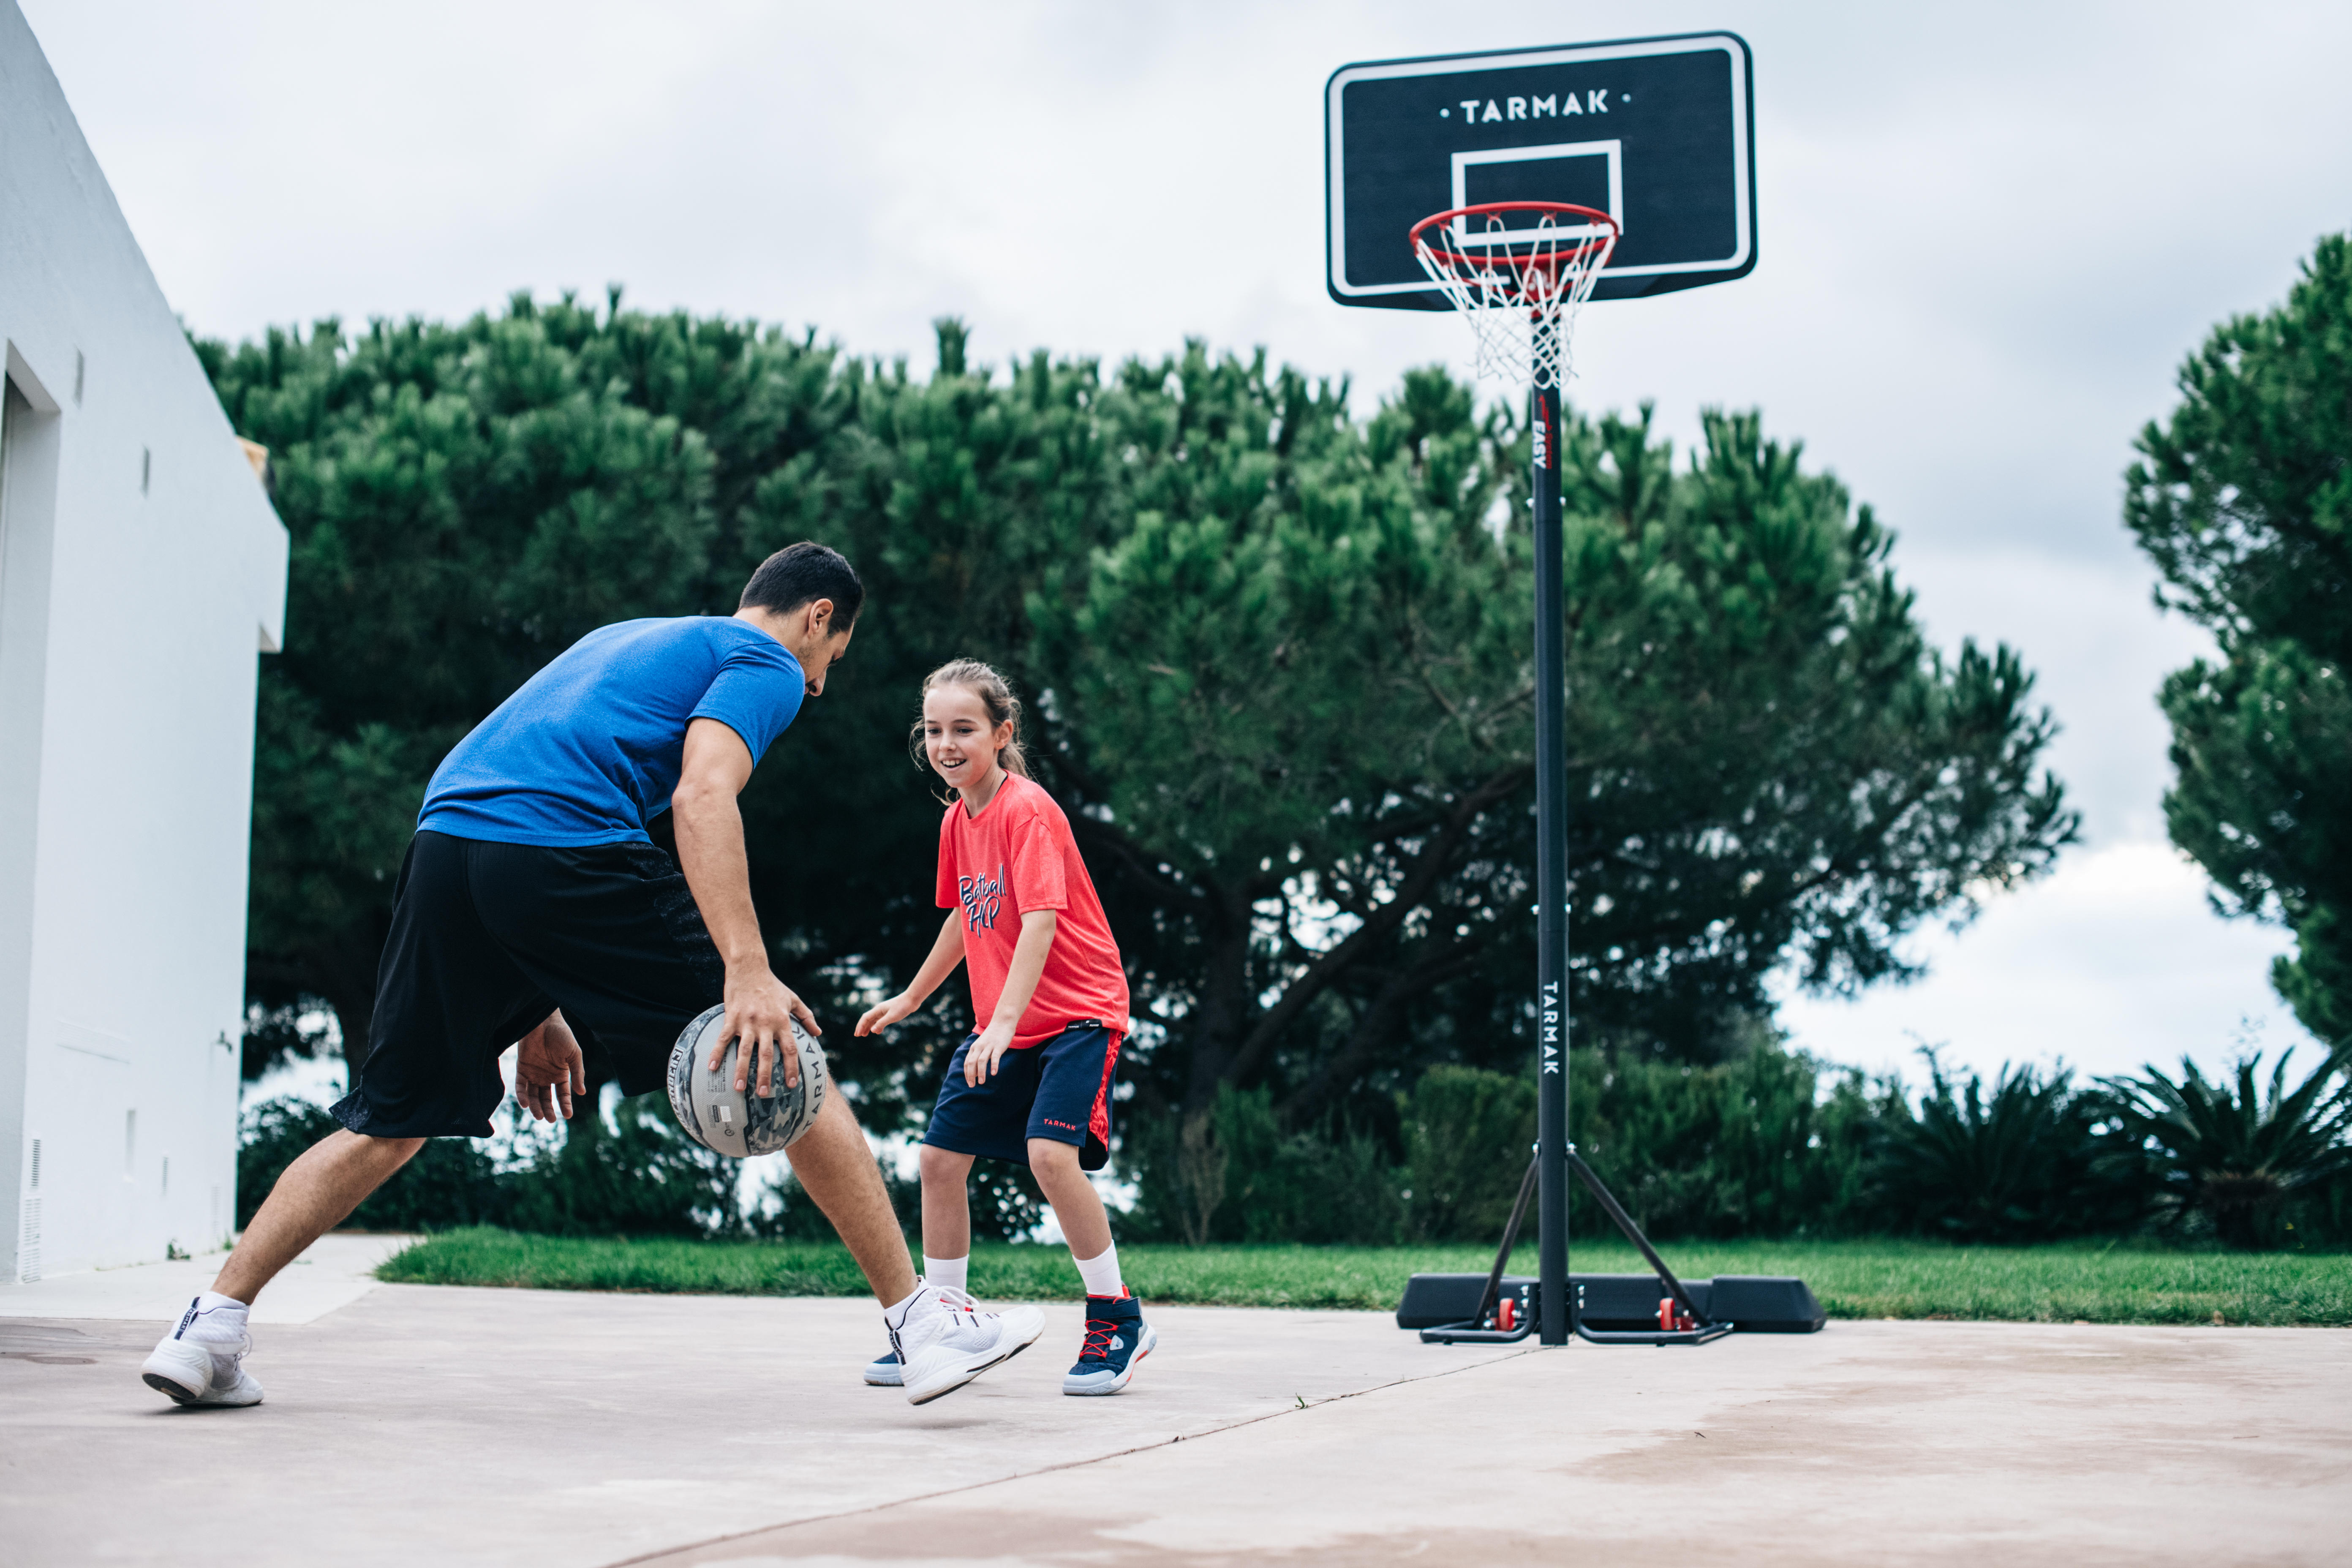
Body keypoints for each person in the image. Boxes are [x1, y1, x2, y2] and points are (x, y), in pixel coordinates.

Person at [143, 544, 1040, 1411]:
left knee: (389, 1119)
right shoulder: (761, 659)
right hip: (552, 840)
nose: (819, 681)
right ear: (816, 618)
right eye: (831, 656)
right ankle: (920, 1322)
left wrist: (537, 1002)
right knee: (782, 1053)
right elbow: (699, 796)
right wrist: (748, 968)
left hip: (447, 844)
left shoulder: (629, 638)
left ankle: (208, 1328)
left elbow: (536, 778)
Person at [855, 659, 1152, 1396]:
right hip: (1006, 1024)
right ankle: (943, 1323)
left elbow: (1042, 919)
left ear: (1002, 733)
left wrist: (1006, 1022)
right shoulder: (959, 818)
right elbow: (967, 915)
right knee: (939, 1162)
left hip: (1078, 1014)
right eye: (933, 731)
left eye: (965, 729)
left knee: (1052, 1156)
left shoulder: (1028, 810)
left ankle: (1119, 1316)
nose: (946, 744)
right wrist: (913, 997)